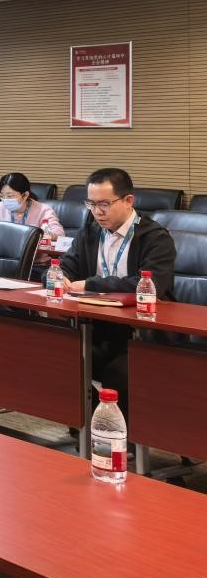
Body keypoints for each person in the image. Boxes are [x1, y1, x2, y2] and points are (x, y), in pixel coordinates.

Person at [59, 167, 176, 414]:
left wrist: (90, 284)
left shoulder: (155, 237)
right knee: (60, 358)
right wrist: (60, 277)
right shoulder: (90, 232)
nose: (97, 211)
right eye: (91, 204)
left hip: (141, 334)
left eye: (104, 204)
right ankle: (90, 423)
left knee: (118, 374)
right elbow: (67, 265)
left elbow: (150, 286)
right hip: (98, 328)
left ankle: (124, 434)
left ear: (128, 200)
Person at [0, 172, 63, 237]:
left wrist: (50, 235)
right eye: (2, 195)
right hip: (3, 250)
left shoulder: (43, 210)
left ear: (25, 195)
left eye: (9, 196)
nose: (5, 200)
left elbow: (59, 233)